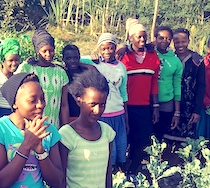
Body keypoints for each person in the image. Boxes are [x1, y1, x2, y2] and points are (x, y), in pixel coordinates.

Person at [121, 18, 160, 175]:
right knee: (127, 138)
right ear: (131, 38)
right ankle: (123, 170)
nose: (143, 40)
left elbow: (154, 83)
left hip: (145, 106)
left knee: (142, 140)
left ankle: (133, 170)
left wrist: (156, 107)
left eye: (144, 36)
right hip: (126, 106)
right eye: (139, 36)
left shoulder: (152, 56)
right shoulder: (123, 56)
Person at [85, 33, 129, 170]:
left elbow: (123, 93)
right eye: (103, 49)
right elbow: (74, 60)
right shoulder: (95, 63)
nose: (107, 52)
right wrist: (91, 57)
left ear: (115, 48)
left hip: (119, 112)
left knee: (121, 144)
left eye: (110, 48)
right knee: (110, 148)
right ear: (99, 49)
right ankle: (111, 173)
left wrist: (126, 118)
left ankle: (122, 172)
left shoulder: (121, 68)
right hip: (103, 114)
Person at [17, 29, 70, 128]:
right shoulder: (27, 68)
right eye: (44, 51)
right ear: (37, 51)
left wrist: (66, 129)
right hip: (31, 127)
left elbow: (64, 105)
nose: (48, 54)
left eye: (51, 51)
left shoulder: (60, 73)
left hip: (53, 126)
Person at [164, 28, 205, 143]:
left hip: (189, 106)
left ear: (189, 41)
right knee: (166, 141)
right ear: (172, 42)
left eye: (184, 41)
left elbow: (201, 86)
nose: (180, 45)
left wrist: (197, 110)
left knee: (186, 143)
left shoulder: (197, 60)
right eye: (177, 42)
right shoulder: (168, 58)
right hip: (170, 105)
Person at [153, 26, 183, 140]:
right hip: (148, 102)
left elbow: (177, 86)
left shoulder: (175, 61)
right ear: (155, 38)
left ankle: (157, 157)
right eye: (161, 38)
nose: (164, 41)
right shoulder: (148, 54)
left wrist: (177, 112)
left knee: (160, 135)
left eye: (168, 38)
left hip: (167, 103)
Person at [0, 38, 22, 119]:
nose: (14, 63)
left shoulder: (18, 79)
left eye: (16, 60)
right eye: (10, 60)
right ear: (3, 60)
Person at [62, 44, 95, 122]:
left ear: (79, 57)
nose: (72, 61)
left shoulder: (85, 73)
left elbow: (93, 69)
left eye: (75, 58)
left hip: (85, 116)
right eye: (69, 58)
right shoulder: (62, 73)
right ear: (63, 59)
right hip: (69, 116)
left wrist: (79, 64)